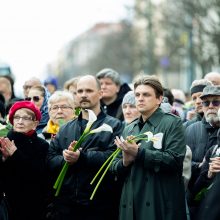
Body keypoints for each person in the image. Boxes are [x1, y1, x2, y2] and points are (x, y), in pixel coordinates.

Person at [47, 75, 124, 220]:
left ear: (100, 93)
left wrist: (83, 157)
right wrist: (65, 158)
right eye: (79, 91)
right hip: (66, 207)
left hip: (99, 206)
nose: (83, 95)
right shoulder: (65, 129)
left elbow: (115, 157)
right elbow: (50, 159)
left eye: (89, 90)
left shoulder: (115, 126)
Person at [111, 75, 187, 220]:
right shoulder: (130, 127)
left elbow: (174, 160)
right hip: (131, 204)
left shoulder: (172, 123)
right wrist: (125, 162)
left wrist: (139, 153)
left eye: (146, 95)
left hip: (160, 204)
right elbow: (114, 167)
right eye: (137, 95)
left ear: (159, 99)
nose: (140, 98)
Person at [0, 101, 49, 220]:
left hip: (32, 202)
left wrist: (16, 154)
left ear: (35, 123)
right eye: (17, 117)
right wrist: (3, 159)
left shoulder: (41, 145)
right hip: (7, 202)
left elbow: (38, 174)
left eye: (26, 118)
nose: (20, 121)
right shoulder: (4, 141)